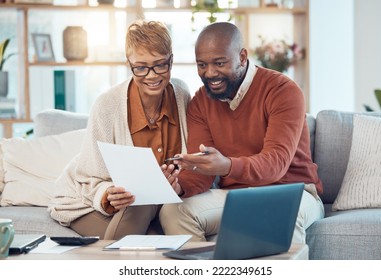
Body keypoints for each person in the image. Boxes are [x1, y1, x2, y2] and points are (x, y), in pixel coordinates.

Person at [160, 22, 325, 244]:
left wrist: (227, 166)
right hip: (237, 195)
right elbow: (201, 169)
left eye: (219, 63)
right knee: (173, 210)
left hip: (292, 191)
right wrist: (179, 186)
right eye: (202, 65)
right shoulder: (200, 102)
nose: (210, 73)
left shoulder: (283, 91)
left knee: (279, 213)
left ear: (242, 57)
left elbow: (276, 163)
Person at [48, 20, 191, 240]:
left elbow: (190, 165)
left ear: (171, 60)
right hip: (88, 203)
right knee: (141, 206)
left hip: (152, 206)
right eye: (141, 67)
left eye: (160, 65)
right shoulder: (107, 105)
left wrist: (179, 184)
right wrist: (107, 194)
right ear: (129, 63)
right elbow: (88, 177)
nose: (151, 76)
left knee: (148, 209)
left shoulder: (182, 95)